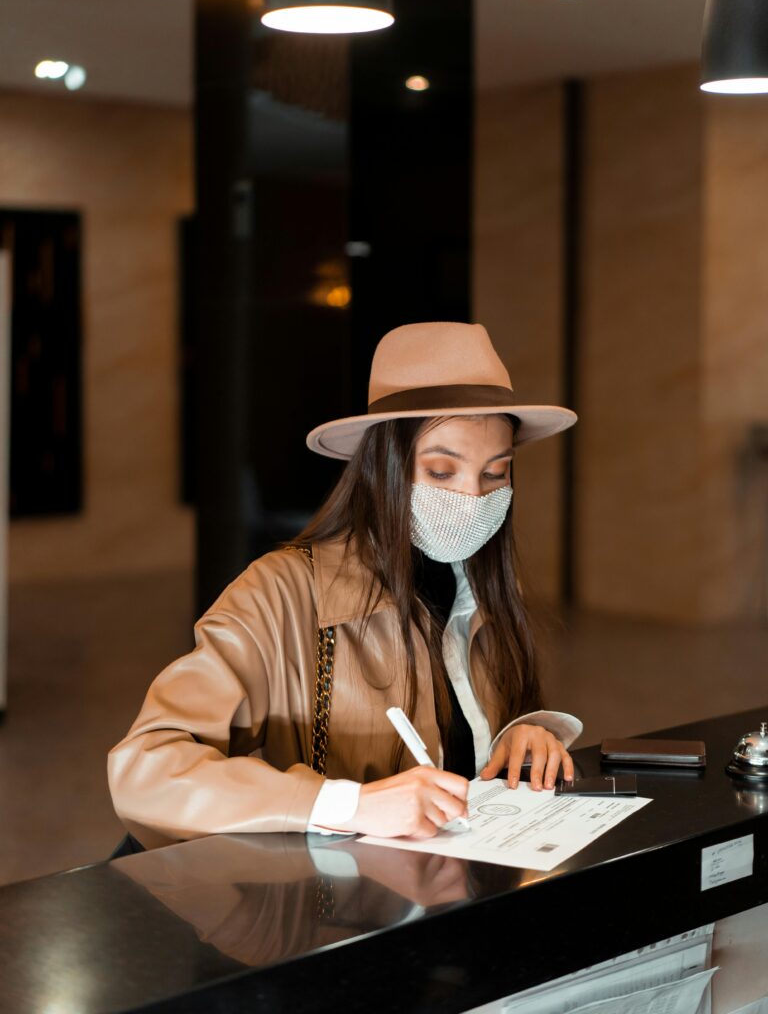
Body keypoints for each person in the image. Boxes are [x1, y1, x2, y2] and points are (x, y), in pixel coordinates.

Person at [108, 321, 581, 850]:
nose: (473, 496)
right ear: (383, 467)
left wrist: (519, 738)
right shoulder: (280, 593)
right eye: (443, 472)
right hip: (336, 914)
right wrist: (350, 804)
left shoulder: (484, 587)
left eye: (495, 474)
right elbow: (145, 769)